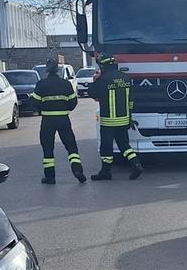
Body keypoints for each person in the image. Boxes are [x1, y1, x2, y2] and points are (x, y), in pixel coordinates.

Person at [89, 53, 143, 181]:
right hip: (124, 119)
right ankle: (136, 165)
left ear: (103, 65)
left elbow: (92, 92)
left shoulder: (103, 79)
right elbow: (131, 100)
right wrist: (129, 116)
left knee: (106, 147)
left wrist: (96, 80)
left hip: (108, 121)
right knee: (124, 145)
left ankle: (105, 172)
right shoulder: (125, 78)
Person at [31, 62, 86, 185]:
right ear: (57, 70)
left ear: (47, 70)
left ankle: (50, 178)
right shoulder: (66, 84)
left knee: (48, 149)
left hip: (47, 121)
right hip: (63, 119)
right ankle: (77, 170)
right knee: (71, 146)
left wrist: (41, 110)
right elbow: (73, 101)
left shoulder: (41, 84)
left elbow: (34, 102)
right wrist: (65, 109)